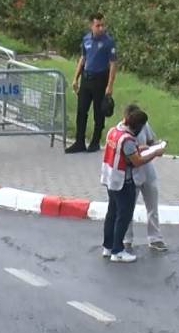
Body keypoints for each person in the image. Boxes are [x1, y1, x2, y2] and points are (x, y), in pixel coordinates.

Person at [100, 108, 161, 263]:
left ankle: (107, 247)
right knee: (124, 216)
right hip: (123, 181)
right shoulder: (127, 139)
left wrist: (139, 148)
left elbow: (123, 152)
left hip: (110, 179)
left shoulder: (114, 132)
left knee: (112, 214)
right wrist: (154, 153)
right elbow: (137, 161)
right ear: (138, 126)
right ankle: (118, 251)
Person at [67, 13, 117, 153]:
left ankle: (95, 142)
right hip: (86, 78)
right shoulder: (86, 39)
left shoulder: (108, 42)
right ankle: (79, 142)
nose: (101, 28)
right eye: (98, 25)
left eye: (102, 25)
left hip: (100, 79)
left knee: (98, 112)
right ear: (91, 26)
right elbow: (83, 58)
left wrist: (110, 85)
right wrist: (76, 78)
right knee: (81, 110)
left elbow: (113, 64)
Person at [121, 104, 167, 252]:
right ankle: (126, 239)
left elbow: (151, 141)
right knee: (128, 208)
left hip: (147, 171)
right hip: (131, 173)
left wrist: (157, 146)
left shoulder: (143, 124)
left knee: (152, 205)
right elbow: (135, 160)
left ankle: (155, 238)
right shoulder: (121, 132)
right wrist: (154, 153)